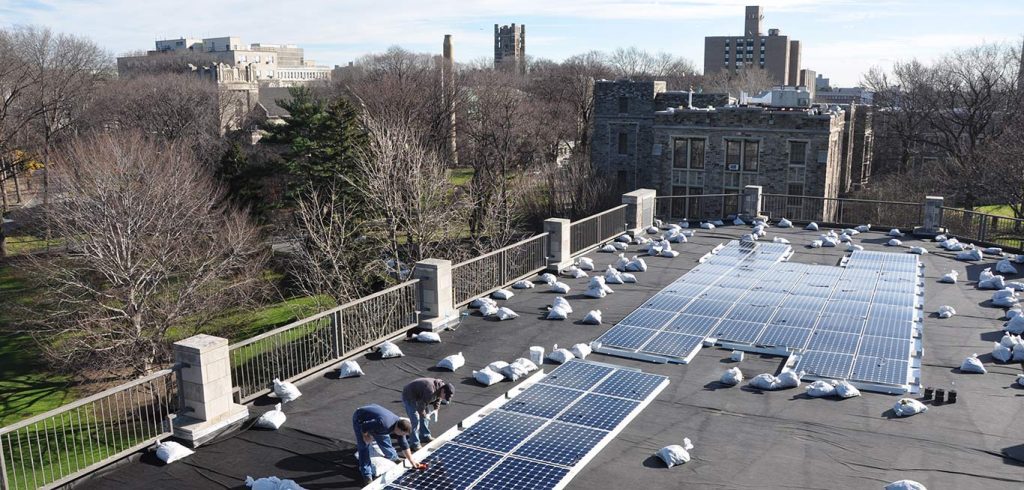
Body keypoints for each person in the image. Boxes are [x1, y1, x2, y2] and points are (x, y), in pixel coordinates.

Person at [352, 404, 420, 485]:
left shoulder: (398, 424)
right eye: (403, 434)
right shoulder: (384, 424)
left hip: (375, 418)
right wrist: (366, 436)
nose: (403, 436)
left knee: (384, 438)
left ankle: (393, 457)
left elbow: (404, 444)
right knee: (364, 447)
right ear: (398, 429)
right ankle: (367, 475)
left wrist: (411, 460)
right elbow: (364, 426)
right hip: (360, 418)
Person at [401, 378, 455, 450]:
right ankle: (414, 444)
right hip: (409, 395)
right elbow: (420, 407)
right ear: (443, 391)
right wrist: (425, 416)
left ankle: (424, 436)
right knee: (415, 420)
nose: (445, 398)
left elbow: (439, 398)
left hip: (420, 394)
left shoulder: (442, 387)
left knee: (427, 414)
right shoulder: (430, 391)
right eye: (445, 396)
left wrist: (436, 410)